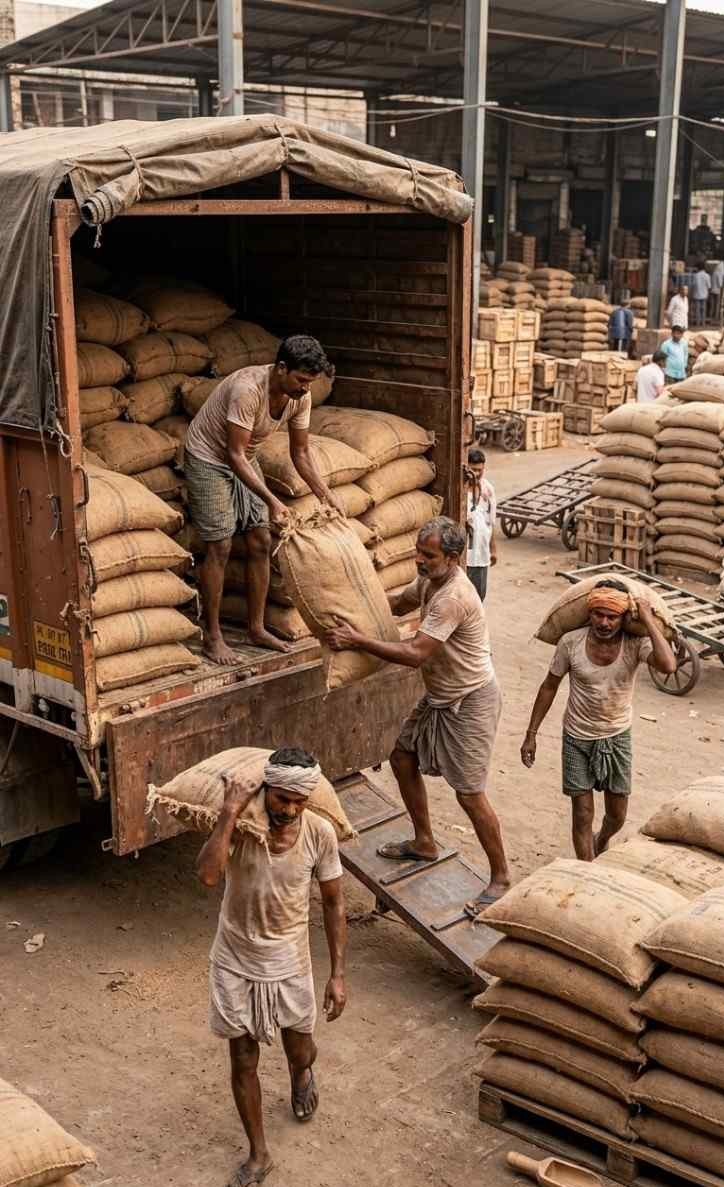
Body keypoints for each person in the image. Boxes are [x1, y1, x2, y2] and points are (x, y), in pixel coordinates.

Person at [325, 516, 509, 913]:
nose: (419, 561)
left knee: (470, 795)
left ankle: (501, 877)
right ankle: (423, 842)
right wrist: (346, 601)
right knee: (402, 755)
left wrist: (357, 640)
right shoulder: (430, 581)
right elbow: (396, 603)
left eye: (428, 555)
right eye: (417, 552)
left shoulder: (453, 596)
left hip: (471, 700)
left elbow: (414, 655)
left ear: (454, 558)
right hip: (441, 695)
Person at [196, 746, 347, 1187]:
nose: (290, 810)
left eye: (298, 801)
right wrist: (228, 813)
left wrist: (337, 975)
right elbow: (207, 877)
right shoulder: (243, 828)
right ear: (265, 793)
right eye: (282, 799)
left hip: (289, 959)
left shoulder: (319, 832)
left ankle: (302, 1073)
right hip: (234, 958)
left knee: (300, 1049)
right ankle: (259, 1154)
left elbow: (335, 904)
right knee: (243, 1059)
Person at [184, 335, 344, 664]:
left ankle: (256, 628)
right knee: (221, 545)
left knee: (260, 540)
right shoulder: (248, 389)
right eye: (301, 380)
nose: (305, 389)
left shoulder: (301, 397)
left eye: (311, 383)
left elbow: (300, 453)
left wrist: (327, 495)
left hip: (245, 456)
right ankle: (213, 636)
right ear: (281, 368)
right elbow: (233, 454)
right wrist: (272, 500)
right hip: (209, 458)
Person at [520, 579, 676, 862]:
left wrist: (649, 620)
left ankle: (602, 839)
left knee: (617, 816)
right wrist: (531, 734)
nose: (604, 622)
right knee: (582, 814)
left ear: (623, 618)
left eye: (612, 616)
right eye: (598, 614)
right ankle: (586, 870)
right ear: (588, 613)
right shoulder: (571, 642)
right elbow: (549, 686)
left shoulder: (635, 644)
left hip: (617, 736)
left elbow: (668, 665)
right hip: (576, 737)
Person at [465, 447, 497, 601]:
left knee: (478, 598)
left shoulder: (488, 489)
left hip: (482, 554)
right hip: (465, 556)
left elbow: (491, 522)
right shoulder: (460, 491)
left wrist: (494, 549)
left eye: (479, 470)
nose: (476, 474)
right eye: (473, 470)